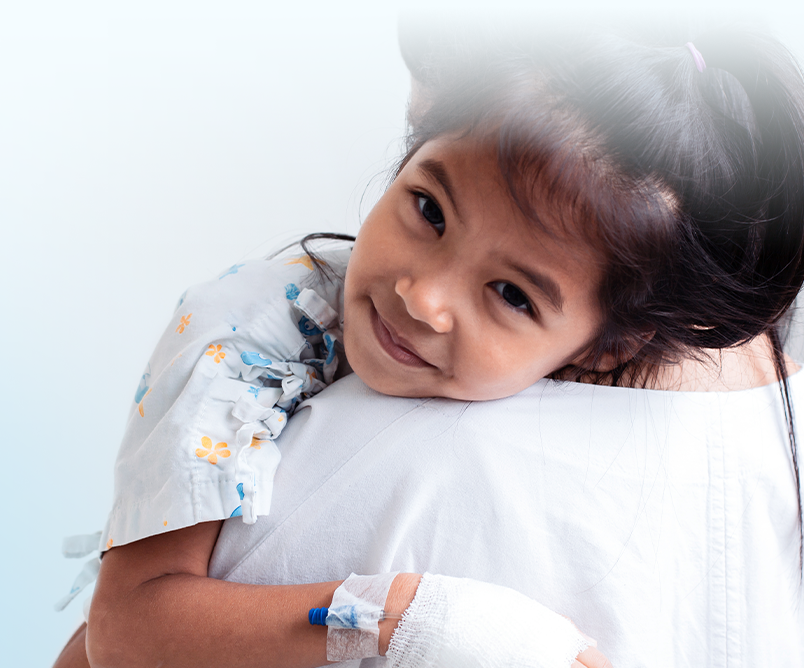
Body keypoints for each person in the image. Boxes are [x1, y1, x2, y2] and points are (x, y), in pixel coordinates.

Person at [55, 23, 804, 668]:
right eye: (429, 209)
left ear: (607, 349)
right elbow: (123, 630)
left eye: (512, 295)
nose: (424, 297)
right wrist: (417, 619)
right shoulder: (248, 333)